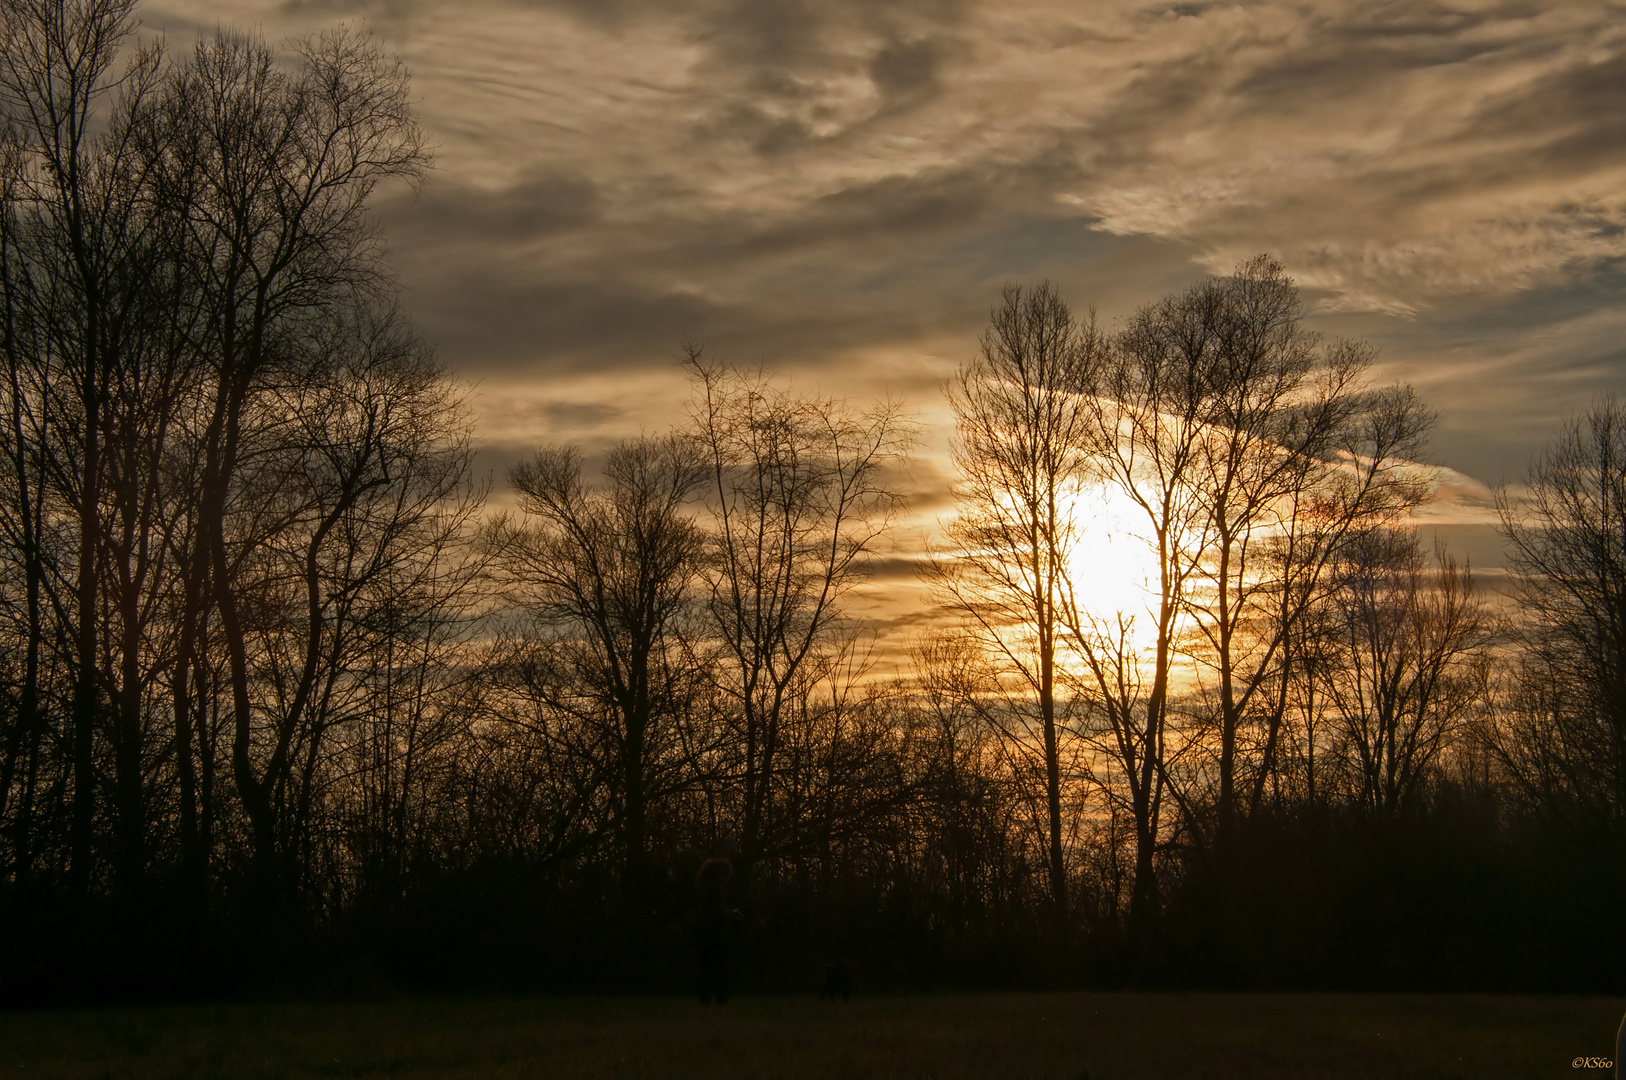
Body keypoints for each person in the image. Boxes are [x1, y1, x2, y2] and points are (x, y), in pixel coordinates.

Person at [694, 857, 738, 1004]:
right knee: (721, 964)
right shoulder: (715, 887)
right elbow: (718, 911)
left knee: (704, 965)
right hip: (713, 930)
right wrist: (732, 914)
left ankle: (704, 997)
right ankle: (721, 997)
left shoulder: (700, 886)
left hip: (700, 929)